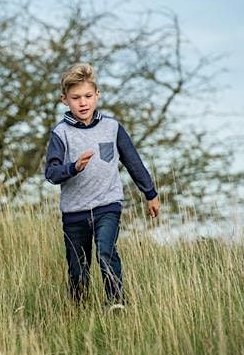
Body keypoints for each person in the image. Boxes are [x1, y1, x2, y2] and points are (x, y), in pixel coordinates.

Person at [44, 62, 160, 308]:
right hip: (74, 212)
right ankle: (78, 310)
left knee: (105, 252)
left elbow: (133, 161)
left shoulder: (112, 127)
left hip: (108, 205)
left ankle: (116, 303)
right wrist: (73, 167)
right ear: (65, 100)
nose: (83, 102)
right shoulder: (60, 133)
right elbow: (51, 173)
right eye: (76, 98)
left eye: (88, 96)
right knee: (78, 269)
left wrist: (150, 193)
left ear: (97, 95)